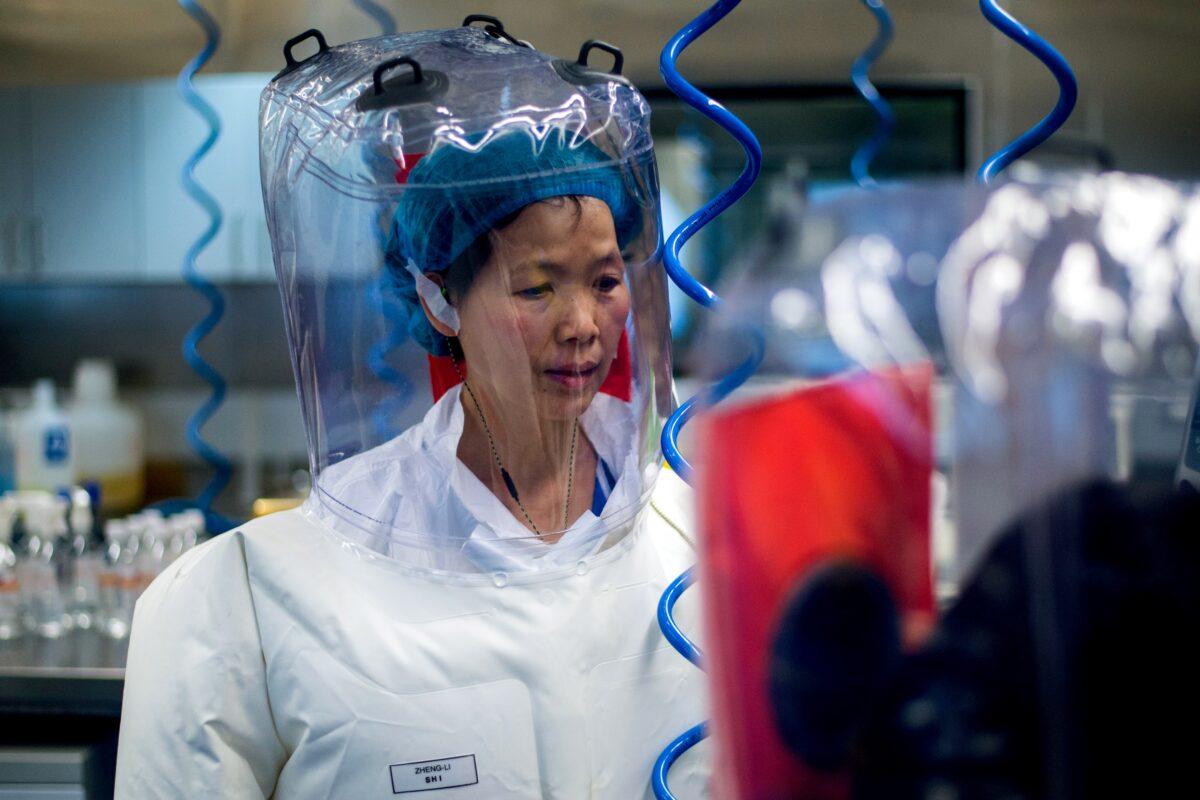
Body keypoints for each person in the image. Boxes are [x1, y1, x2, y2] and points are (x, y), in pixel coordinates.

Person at [115, 24, 709, 799]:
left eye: (603, 281)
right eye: (536, 288)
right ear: (439, 300)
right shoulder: (261, 595)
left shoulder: (693, 534)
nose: (584, 325)